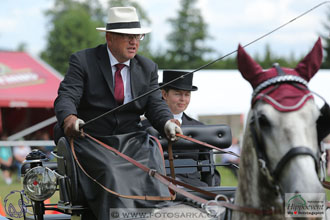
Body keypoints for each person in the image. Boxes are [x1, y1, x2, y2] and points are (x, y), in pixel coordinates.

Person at [53, 7, 182, 220]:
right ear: (109, 38)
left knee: (152, 170)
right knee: (112, 171)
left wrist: (168, 122)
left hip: (132, 140)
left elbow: (155, 104)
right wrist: (70, 119)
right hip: (92, 139)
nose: (134, 42)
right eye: (127, 37)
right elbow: (66, 96)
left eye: (137, 36)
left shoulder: (147, 67)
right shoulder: (83, 61)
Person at [142, 70, 220, 187]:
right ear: (164, 94)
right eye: (177, 94)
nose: (183, 99)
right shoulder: (145, 127)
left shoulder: (200, 128)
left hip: (194, 187)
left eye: (187, 94)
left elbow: (208, 167)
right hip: (157, 185)